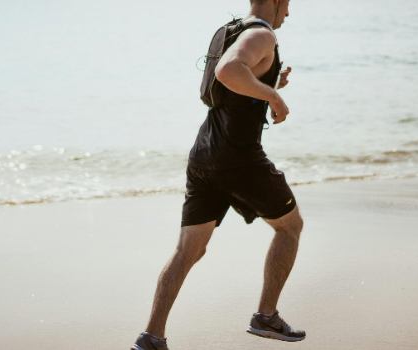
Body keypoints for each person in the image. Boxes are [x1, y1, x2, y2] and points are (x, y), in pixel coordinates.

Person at [131, 0, 304, 349]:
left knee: (188, 251)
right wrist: (272, 95)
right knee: (290, 227)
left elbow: (230, 87)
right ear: (275, 1)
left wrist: (267, 82)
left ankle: (151, 337)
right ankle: (265, 316)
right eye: (287, 4)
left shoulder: (232, 29)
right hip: (237, 158)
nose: (288, 12)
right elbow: (228, 71)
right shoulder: (261, 35)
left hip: (204, 154)